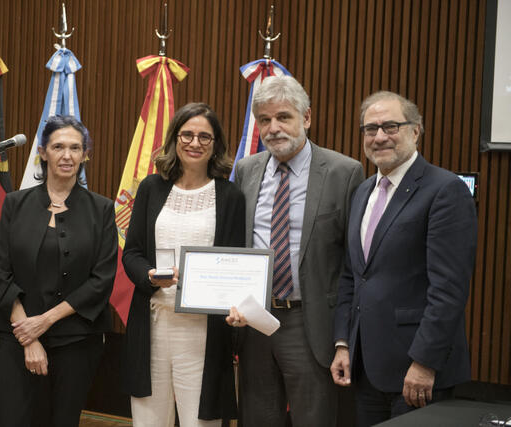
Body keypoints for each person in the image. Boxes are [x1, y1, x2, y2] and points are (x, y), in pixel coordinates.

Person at [330, 91, 478, 426]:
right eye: (370, 129)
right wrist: (343, 343)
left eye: (390, 126)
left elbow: (449, 290)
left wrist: (425, 363)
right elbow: (353, 276)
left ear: (415, 130)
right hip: (365, 367)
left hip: (417, 372)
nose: (379, 136)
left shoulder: (445, 189)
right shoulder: (362, 191)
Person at [228, 75, 364, 427]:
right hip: (254, 320)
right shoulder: (246, 170)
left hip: (311, 323)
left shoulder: (344, 172)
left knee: (313, 419)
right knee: (257, 417)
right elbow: (237, 246)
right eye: (264, 120)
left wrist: (343, 338)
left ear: (306, 118)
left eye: (283, 117)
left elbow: (354, 262)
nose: (273, 128)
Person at [121, 102, 245, 426]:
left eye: (205, 136)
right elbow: (131, 253)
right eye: (187, 134)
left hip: (204, 331)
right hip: (153, 324)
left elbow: (235, 263)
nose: (195, 143)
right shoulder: (151, 187)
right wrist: (149, 276)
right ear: (175, 139)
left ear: (216, 144)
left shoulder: (230, 196)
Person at [0, 115, 117, 427]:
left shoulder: (101, 209)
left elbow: (101, 281)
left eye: (76, 148)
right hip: (17, 337)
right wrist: (29, 335)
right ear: (43, 152)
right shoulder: (14, 204)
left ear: (85, 154)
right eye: (58, 146)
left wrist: (44, 323)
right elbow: (1, 273)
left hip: (76, 341)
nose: (67, 155)